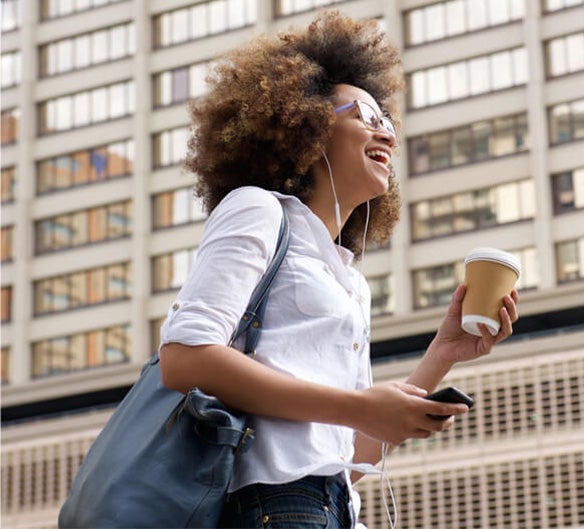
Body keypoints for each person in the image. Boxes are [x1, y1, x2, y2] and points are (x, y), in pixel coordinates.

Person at [158, 10, 519, 529]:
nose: (387, 136)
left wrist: (443, 353)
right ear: (306, 125)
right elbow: (184, 357)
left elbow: (347, 462)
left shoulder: (350, 281)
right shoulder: (258, 210)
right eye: (366, 117)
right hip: (272, 510)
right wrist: (356, 407)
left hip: (331, 512)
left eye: (387, 122)